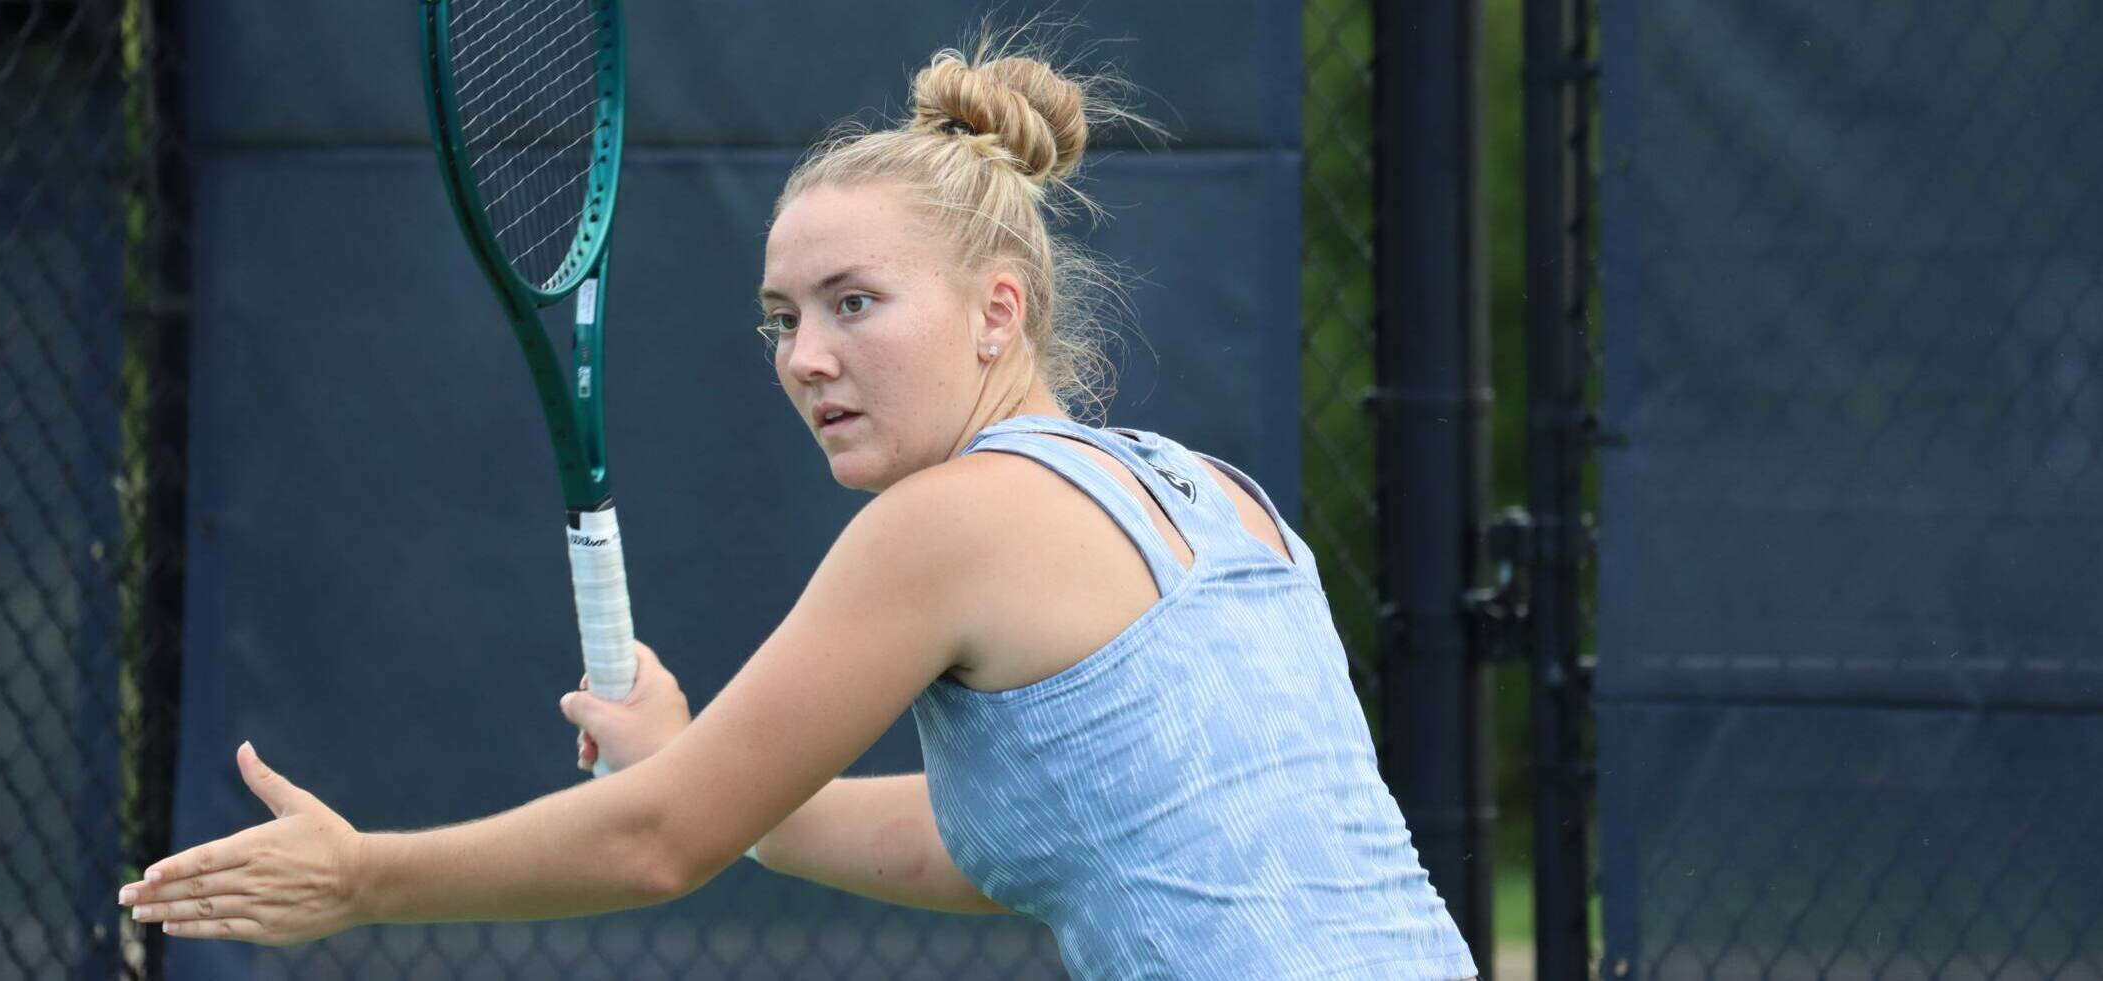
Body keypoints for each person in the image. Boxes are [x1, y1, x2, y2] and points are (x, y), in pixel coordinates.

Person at [119, 41, 1479, 981]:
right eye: (782, 318)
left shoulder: (950, 521)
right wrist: (716, 760)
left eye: (853, 303)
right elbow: (1013, 837)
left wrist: (364, 880)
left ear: (998, 310)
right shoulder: (1222, 500)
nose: (806, 356)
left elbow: (661, 844)